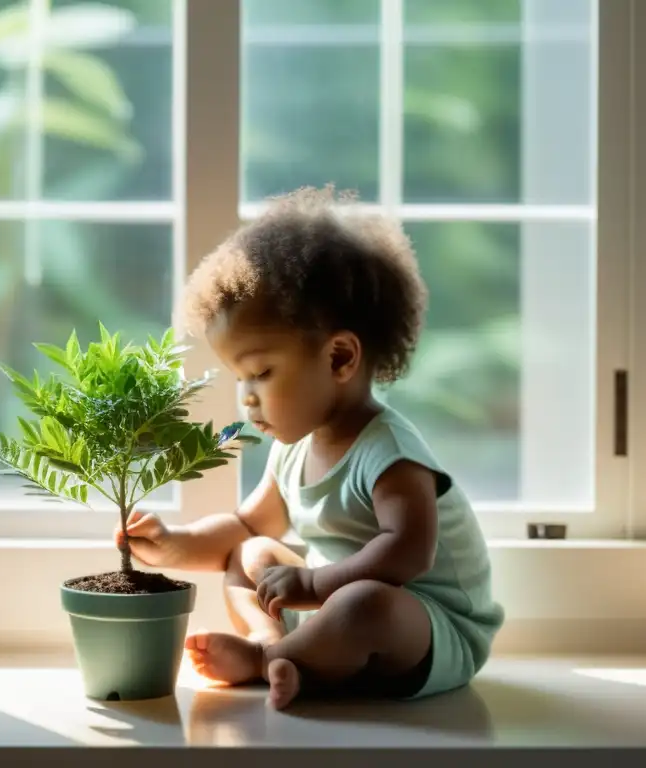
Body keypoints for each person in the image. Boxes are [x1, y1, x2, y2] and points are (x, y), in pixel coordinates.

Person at [114, 185, 504, 710]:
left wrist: (314, 582)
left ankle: (269, 662)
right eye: (239, 378)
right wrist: (176, 544)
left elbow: (409, 552)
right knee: (250, 552)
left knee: (366, 604)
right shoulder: (294, 448)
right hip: (326, 605)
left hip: (424, 626)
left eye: (261, 373)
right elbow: (250, 527)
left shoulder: (390, 452)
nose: (247, 397)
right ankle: (274, 646)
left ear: (340, 358)